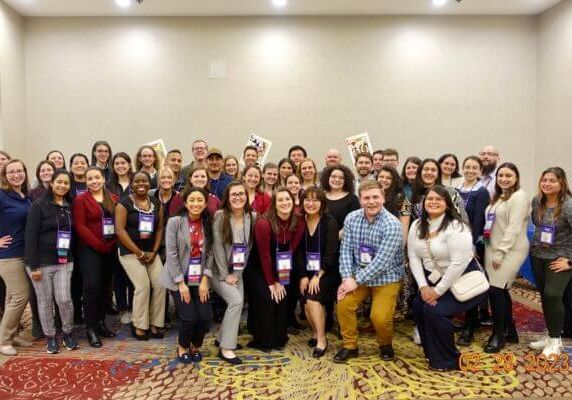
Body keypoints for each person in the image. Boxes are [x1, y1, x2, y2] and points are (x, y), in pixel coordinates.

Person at [408, 186, 488, 371]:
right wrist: (422, 287)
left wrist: (436, 292)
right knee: (419, 306)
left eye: (439, 199)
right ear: (423, 202)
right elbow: (413, 257)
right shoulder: (417, 225)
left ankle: (450, 359)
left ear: (448, 204)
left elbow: (458, 264)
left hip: (463, 279)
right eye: (429, 199)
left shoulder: (456, 227)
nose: (433, 202)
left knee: (435, 311)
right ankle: (433, 354)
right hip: (432, 280)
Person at [334, 181, 404, 363]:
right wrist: (347, 277)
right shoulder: (351, 218)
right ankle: (350, 346)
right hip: (357, 276)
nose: (371, 202)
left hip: (387, 276)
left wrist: (355, 280)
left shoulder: (392, 224)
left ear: (383, 198)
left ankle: (385, 343)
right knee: (343, 303)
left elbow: (381, 262)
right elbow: (346, 250)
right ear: (360, 200)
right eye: (366, 198)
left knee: (379, 318)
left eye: (375, 197)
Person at [24, 169, 79, 354]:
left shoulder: (70, 205)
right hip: (41, 263)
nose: (62, 185)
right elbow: (30, 236)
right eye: (59, 182)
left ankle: (68, 332)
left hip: (64, 261)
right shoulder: (38, 205)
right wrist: (34, 266)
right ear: (52, 183)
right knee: (45, 301)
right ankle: (50, 337)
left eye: (66, 183)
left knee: (64, 300)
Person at [246, 187, 305, 351]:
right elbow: (265, 256)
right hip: (258, 267)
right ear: (274, 203)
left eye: (288, 199)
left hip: (282, 265)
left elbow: (290, 251)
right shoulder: (264, 223)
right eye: (280, 200)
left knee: (283, 296)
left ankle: (279, 337)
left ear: (293, 202)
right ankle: (262, 338)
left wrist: (280, 279)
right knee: (268, 297)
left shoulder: (299, 221)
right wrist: (272, 282)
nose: (285, 203)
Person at [160, 187, 212, 364]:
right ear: (185, 203)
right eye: (192, 200)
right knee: (189, 318)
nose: (196, 204)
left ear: (206, 204)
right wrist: (180, 283)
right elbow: (172, 253)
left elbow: (211, 253)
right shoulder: (175, 222)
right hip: (179, 277)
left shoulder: (208, 223)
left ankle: (195, 346)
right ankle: (182, 346)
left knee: (204, 317)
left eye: (200, 200)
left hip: (200, 279)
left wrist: (206, 279)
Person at [483, 163, 529, 353]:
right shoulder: (499, 196)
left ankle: (498, 334)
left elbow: (513, 227)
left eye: (508, 176)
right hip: (492, 247)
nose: (503, 179)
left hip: (509, 250)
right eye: (501, 175)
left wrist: (501, 252)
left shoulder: (519, 197)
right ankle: (511, 331)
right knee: (501, 290)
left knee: (495, 290)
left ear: (516, 177)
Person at [116, 171, 166, 340]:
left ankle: (155, 323)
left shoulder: (157, 203)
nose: (141, 184)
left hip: (151, 252)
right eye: (137, 181)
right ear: (131, 184)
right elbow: (120, 230)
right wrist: (138, 252)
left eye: (144, 181)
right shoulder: (123, 204)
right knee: (143, 286)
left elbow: (159, 229)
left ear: (149, 183)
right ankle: (139, 325)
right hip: (130, 252)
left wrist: (154, 251)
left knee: (160, 284)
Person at [72, 167, 118, 347]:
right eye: (90, 179)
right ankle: (90, 328)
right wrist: (99, 245)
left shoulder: (113, 198)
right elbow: (80, 227)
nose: (94, 181)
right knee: (92, 287)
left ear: (103, 179)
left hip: (110, 248)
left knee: (105, 288)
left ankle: (100, 323)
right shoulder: (81, 200)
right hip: (89, 249)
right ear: (86, 181)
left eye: (97, 177)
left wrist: (111, 243)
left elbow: (117, 223)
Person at [211, 182, 256, 364]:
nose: (238, 198)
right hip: (216, 270)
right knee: (236, 301)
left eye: (241, 194)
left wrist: (236, 274)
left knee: (237, 302)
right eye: (234, 195)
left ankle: (221, 337)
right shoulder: (220, 216)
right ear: (228, 198)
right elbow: (217, 247)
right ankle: (226, 348)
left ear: (246, 197)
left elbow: (247, 249)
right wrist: (224, 275)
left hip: (237, 270)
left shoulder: (252, 216)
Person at [529, 167, 572, 357]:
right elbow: (537, 225)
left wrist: (570, 262)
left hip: (561, 258)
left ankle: (555, 342)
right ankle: (551, 336)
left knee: (553, 295)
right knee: (545, 297)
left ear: (562, 183)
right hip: (538, 255)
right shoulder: (537, 201)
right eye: (544, 179)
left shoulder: (569, 206)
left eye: (552, 180)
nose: (547, 183)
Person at [297, 187, 339, 358]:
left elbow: (331, 253)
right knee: (305, 303)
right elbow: (298, 252)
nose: (311, 203)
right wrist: (303, 276)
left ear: (322, 203)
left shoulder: (329, 221)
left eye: (315, 200)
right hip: (305, 271)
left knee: (312, 299)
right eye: (307, 199)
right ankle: (315, 331)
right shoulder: (300, 221)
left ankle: (322, 340)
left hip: (326, 271)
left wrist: (317, 275)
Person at [455, 156, 492, 346]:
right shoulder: (457, 190)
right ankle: (467, 320)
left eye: (474, 168)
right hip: (456, 242)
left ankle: (470, 325)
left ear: (480, 171)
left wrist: (471, 245)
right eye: (467, 166)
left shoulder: (481, 192)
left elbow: (478, 220)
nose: (470, 170)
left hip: (471, 244)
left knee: (470, 282)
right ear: (462, 168)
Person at [0, 160, 33, 356]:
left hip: (24, 253)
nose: (16, 175)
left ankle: (12, 335)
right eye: (11, 172)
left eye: (19, 171)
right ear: (5, 176)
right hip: (8, 256)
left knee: (13, 296)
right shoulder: (2, 196)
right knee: (21, 295)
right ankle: (4, 340)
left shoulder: (24, 197)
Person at [321, 165, 360, 236]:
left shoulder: (352, 199)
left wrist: (334, 238)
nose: (337, 180)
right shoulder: (320, 196)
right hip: (321, 239)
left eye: (341, 178)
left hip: (342, 242)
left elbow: (354, 223)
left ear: (346, 180)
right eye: (333, 176)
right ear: (328, 178)